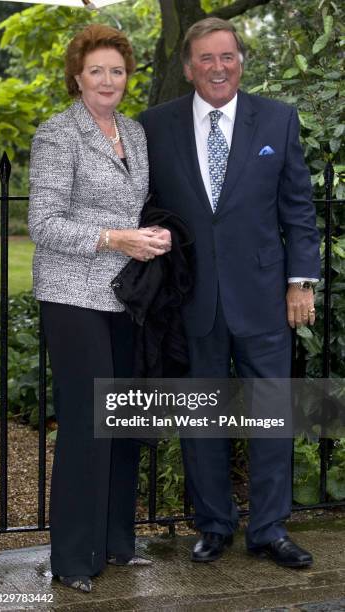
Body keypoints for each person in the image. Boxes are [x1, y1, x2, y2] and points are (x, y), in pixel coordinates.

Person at [139, 17, 320, 568]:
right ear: (190, 67)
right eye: (207, 59)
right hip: (193, 297)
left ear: (241, 60)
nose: (219, 67)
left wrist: (300, 282)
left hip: (265, 296)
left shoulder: (278, 119)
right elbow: (144, 207)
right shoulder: (155, 126)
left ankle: (269, 528)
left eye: (229, 56)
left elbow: (298, 209)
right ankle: (214, 524)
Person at [28, 24, 171, 592]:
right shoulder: (57, 134)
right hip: (72, 294)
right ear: (77, 77)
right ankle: (72, 559)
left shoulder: (133, 133)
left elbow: (140, 205)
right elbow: (44, 224)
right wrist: (116, 238)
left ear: (126, 77)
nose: (108, 80)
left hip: (126, 293)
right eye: (96, 71)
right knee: (89, 423)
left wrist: (153, 236)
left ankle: (116, 540)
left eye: (116, 70)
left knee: (126, 418)